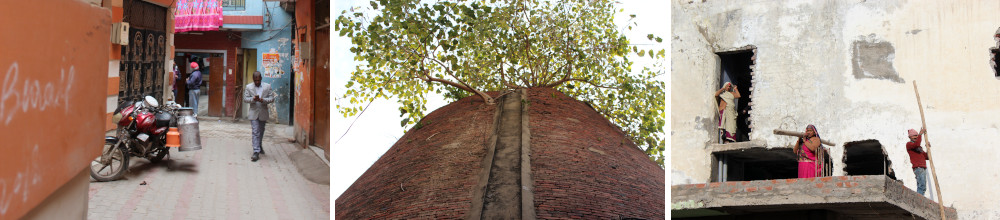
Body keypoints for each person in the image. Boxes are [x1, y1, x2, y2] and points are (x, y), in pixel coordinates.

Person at [243, 71, 274, 162]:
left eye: (258, 80)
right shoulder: (249, 87)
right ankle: (256, 151)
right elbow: (245, 99)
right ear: (253, 79)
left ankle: (259, 144)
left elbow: (271, 99)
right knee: (255, 131)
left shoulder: (267, 87)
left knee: (261, 131)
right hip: (253, 112)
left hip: (263, 112)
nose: (257, 82)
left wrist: (262, 100)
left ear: (261, 78)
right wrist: (253, 99)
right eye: (255, 80)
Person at [907, 128, 928, 195]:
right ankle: (920, 201)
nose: (916, 137)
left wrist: (928, 148)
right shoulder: (909, 144)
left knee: (921, 186)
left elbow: (926, 157)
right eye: (914, 136)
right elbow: (916, 144)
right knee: (922, 187)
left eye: (916, 135)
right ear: (909, 137)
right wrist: (920, 134)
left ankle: (919, 199)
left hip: (922, 168)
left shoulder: (919, 147)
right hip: (918, 167)